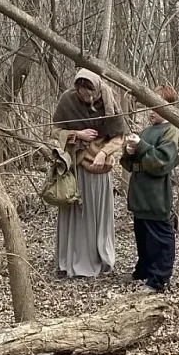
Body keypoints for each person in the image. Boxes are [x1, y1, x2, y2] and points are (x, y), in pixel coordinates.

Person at [51, 68, 126, 277]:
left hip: (101, 170)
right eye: (82, 93)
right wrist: (77, 133)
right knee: (78, 215)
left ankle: (100, 257)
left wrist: (103, 153)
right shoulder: (68, 100)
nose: (87, 97)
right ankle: (73, 261)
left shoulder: (109, 99)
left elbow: (119, 136)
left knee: (97, 216)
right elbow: (54, 131)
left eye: (90, 92)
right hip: (78, 167)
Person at [120, 84, 179, 293]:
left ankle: (159, 279)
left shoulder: (171, 131)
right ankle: (144, 270)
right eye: (150, 105)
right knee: (143, 236)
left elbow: (161, 162)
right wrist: (129, 152)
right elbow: (131, 163)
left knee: (159, 238)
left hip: (156, 195)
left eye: (156, 106)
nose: (151, 111)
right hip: (140, 194)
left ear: (168, 108)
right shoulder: (147, 131)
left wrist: (142, 146)